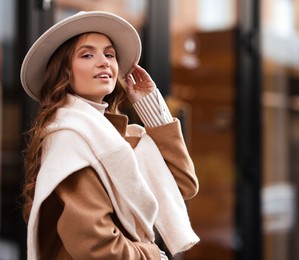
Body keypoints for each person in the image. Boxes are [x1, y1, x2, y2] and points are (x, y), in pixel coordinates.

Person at [20, 11, 199, 260]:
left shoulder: (111, 136)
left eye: (109, 54)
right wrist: (151, 255)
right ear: (64, 72)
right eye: (87, 54)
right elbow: (97, 247)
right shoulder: (72, 138)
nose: (104, 61)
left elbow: (181, 185)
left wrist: (150, 106)